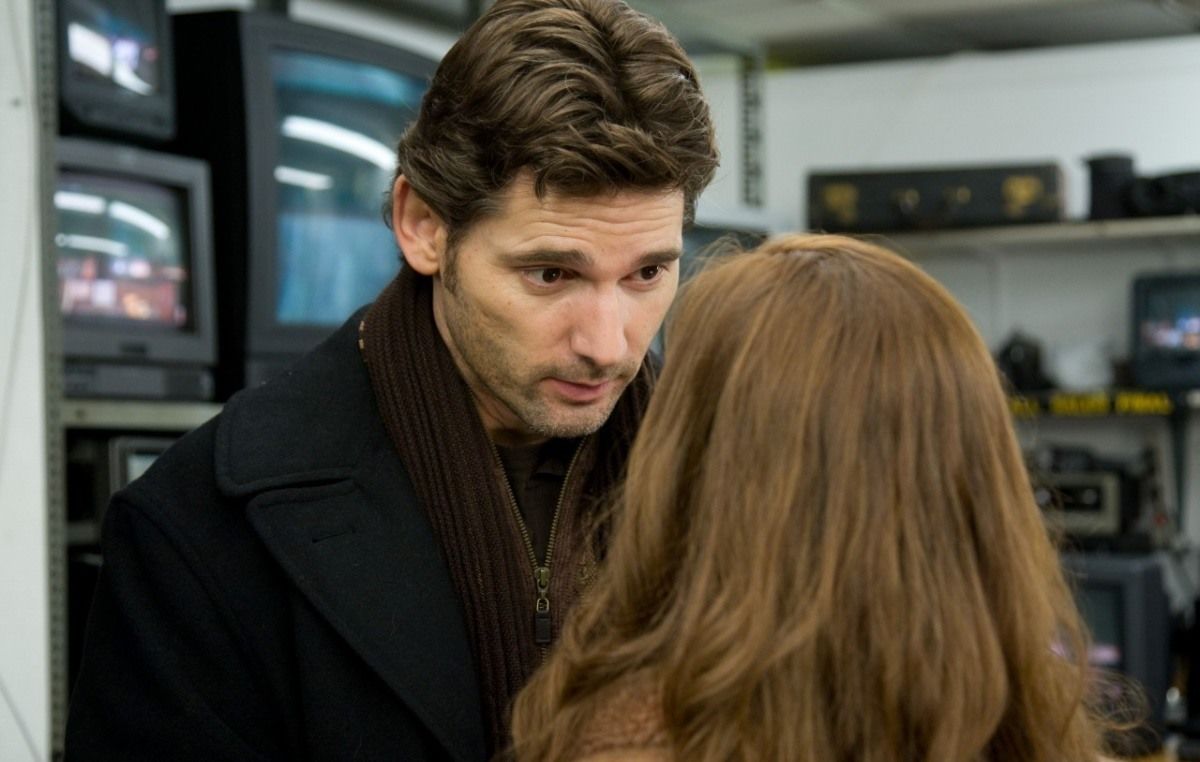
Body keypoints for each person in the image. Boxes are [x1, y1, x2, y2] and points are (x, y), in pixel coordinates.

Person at [64, 1, 717, 759]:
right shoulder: (198, 530)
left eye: (647, 274)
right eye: (550, 273)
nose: (606, 345)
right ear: (424, 225)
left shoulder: (727, 482)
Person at [510, 234, 1107, 762]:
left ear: (697, 455)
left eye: (646, 274)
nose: (606, 347)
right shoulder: (1032, 726)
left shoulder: (625, 739)